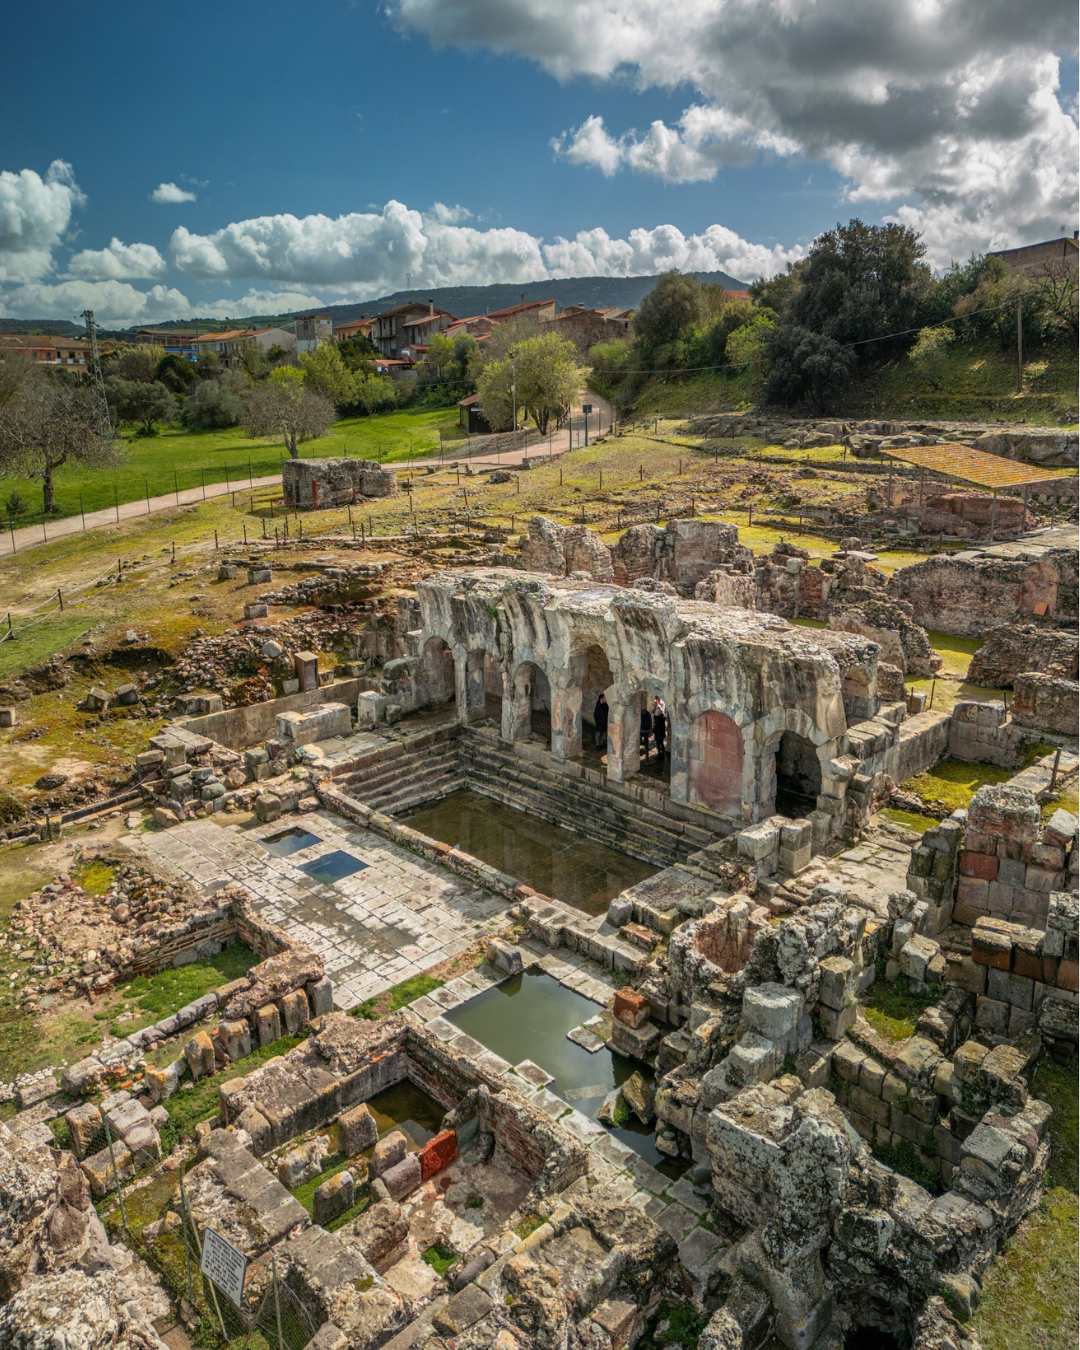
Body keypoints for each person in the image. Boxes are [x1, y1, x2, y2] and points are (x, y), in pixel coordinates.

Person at [652, 695, 667, 760]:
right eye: (656, 698)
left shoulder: (663, 703)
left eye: (657, 698)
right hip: (656, 722)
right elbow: (652, 711)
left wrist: (659, 706)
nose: (656, 699)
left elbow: (663, 713)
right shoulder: (654, 702)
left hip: (661, 722)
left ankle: (663, 754)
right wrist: (655, 706)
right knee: (657, 740)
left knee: (661, 740)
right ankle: (659, 753)